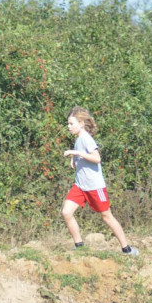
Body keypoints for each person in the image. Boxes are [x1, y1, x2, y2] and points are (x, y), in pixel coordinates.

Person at [61, 107, 139, 256]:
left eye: (71, 124)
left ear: (81, 123)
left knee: (106, 216)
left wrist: (75, 152)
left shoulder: (86, 138)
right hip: (80, 186)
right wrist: (74, 159)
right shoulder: (78, 139)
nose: (68, 127)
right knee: (66, 212)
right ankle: (79, 246)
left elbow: (97, 158)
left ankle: (126, 249)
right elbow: (83, 157)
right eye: (68, 124)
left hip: (94, 187)